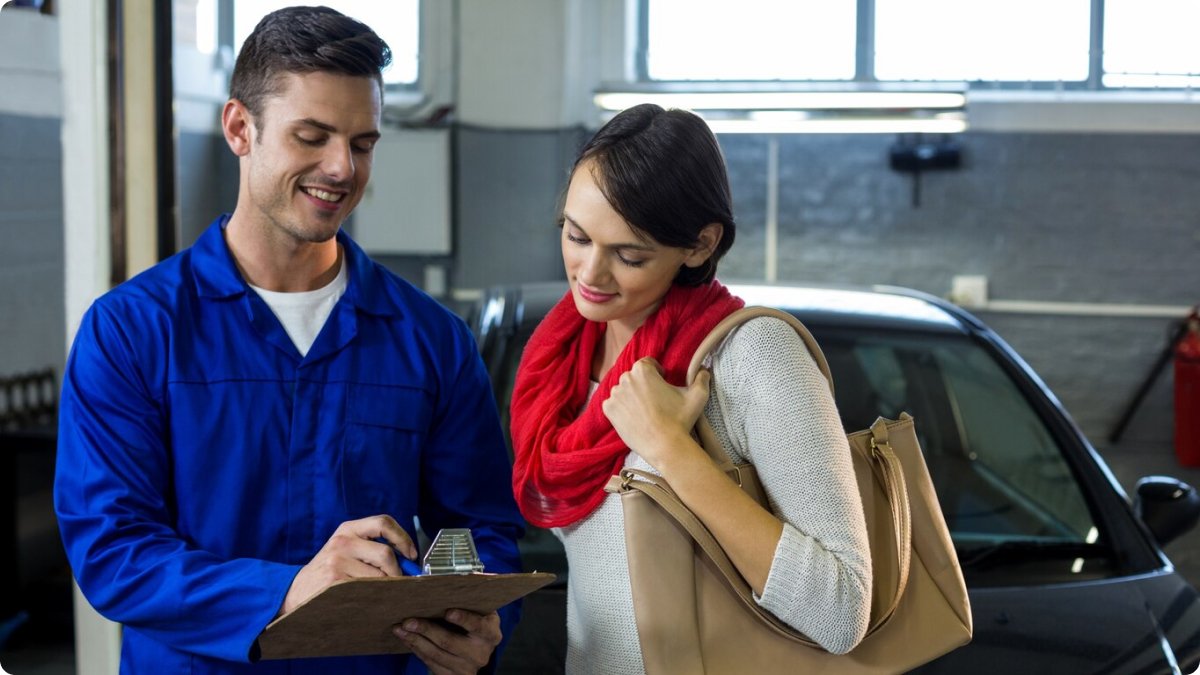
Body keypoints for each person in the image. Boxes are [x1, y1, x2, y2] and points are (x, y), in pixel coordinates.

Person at [54, 6, 523, 674]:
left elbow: (478, 535)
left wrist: (482, 627)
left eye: (362, 143)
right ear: (240, 128)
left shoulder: (430, 341)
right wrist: (287, 589)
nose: (341, 167)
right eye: (313, 136)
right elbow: (113, 549)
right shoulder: (132, 332)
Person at [508, 104, 872, 673]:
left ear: (700, 245)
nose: (590, 274)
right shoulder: (559, 360)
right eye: (576, 237)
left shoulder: (754, 354)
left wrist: (672, 452)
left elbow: (841, 609)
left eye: (629, 255)